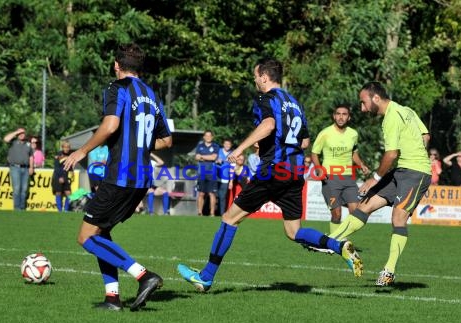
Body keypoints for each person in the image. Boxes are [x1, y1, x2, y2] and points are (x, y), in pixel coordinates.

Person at [177, 58, 363, 293]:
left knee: (229, 218)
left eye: (256, 76)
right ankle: (339, 246)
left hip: (273, 169)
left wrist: (240, 148)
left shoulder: (267, 98)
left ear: (264, 77)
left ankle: (205, 277)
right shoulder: (295, 103)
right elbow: (304, 140)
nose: (255, 80)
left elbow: (268, 125)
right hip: (295, 171)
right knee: (293, 231)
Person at [62, 43, 172, 311]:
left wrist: (83, 150)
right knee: (103, 232)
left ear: (116, 65)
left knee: (86, 237)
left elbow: (110, 125)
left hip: (120, 175)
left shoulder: (117, 88)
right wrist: (138, 143)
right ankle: (112, 298)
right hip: (142, 178)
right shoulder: (151, 95)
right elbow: (166, 141)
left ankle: (143, 276)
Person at [328, 81, 431, 287]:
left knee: (398, 217)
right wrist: (412, 150)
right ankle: (330, 240)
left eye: (364, 102)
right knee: (366, 205)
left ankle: (389, 271)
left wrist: (375, 177)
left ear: (376, 98)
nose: (362, 108)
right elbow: (425, 136)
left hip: (415, 172)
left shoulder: (391, 117)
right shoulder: (406, 110)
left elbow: (391, 154)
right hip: (401, 170)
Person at [310, 104, 370, 234]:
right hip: (330, 178)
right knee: (336, 214)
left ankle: (336, 237)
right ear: (334, 116)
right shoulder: (325, 133)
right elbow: (314, 153)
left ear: (349, 117)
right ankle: (334, 241)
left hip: (348, 178)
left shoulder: (353, 134)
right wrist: (319, 169)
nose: (341, 117)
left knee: (356, 213)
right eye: (338, 114)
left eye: (344, 114)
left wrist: (362, 165)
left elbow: (354, 153)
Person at [3, 128, 34, 210]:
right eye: (20, 133)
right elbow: (6, 139)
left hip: (26, 169)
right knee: (16, 189)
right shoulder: (13, 142)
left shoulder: (28, 144)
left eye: (23, 133)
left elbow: (31, 156)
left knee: (24, 190)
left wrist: (31, 167)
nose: (21, 134)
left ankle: (22, 208)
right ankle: (17, 208)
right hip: (15, 168)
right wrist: (16, 132)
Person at [195, 130, 220, 216]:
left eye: (210, 136)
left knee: (211, 193)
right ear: (204, 137)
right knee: (201, 193)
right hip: (201, 173)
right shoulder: (200, 146)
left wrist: (202, 156)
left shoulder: (216, 146)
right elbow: (196, 157)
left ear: (212, 137)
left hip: (212, 173)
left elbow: (214, 157)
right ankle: (199, 212)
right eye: (206, 135)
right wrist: (207, 157)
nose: (208, 137)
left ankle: (212, 213)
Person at [52, 141, 74, 212]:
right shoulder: (58, 155)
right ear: (62, 147)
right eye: (65, 147)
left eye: (68, 147)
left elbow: (69, 166)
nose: (67, 149)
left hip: (65, 177)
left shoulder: (70, 155)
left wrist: (71, 171)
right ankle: (60, 210)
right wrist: (60, 177)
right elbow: (56, 167)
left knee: (69, 193)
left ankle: (66, 210)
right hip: (58, 176)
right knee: (58, 192)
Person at [216, 139, 234, 215]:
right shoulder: (218, 151)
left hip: (225, 178)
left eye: (229, 144)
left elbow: (232, 168)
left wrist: (231, 181)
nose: (227, 145)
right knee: (213, 195)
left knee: (222, 197)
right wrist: (216, 160)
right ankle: (210, 212)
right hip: (215, 177)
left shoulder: (232, 154)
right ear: (223, 144)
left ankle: (221, 214)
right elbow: (213, 159)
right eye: (225, 144)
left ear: (231, 145)